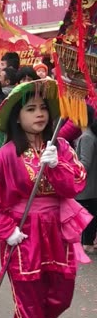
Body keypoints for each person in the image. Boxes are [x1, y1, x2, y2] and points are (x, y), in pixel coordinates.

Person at [0, 78, 90, 318]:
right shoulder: (5, 155)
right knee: (29, 301)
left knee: (61, 295)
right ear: (17, 116)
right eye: (31, 108)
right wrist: (6, 231)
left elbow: (75, 186)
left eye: (43, 107)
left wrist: (56, 166)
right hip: (22, 234)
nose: (39, 114)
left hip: (57, 231)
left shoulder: (63, 148)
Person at [75, 105, 97, 253]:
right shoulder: (88, 135)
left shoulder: (86, 137)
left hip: (87, 187)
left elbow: (85, 164)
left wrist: (70, 166)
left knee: (88, 217)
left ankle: (87, 244)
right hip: (90, 187)